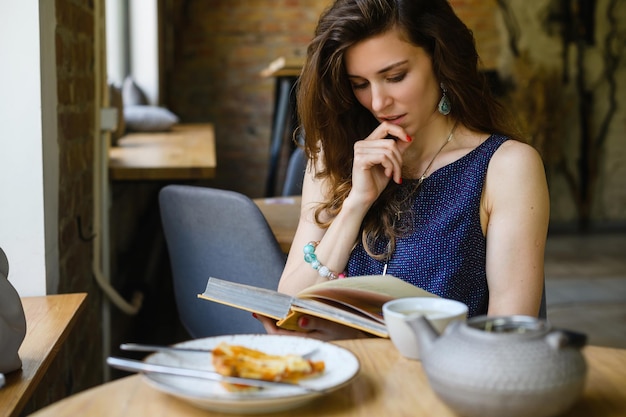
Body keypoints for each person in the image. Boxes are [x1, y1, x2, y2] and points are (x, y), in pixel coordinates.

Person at [256, 0, 549, 340]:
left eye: (395, 77)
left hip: (440, 385)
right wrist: (356, 203)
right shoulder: (334, 156)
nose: (378, 103)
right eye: (359, 84)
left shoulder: (505, 167)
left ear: (441, 62)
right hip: (342, 378)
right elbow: (289, 309)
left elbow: (509, 339)